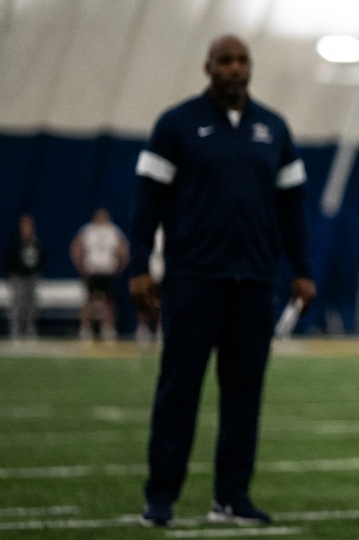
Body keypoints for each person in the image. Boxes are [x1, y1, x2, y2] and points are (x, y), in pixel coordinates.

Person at [128, 35, 315, 528]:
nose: (235, 68)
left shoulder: (274, 128)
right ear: (207, 66)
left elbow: (292, 208)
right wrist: (140, 267)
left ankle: (231, 497)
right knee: (178, 392)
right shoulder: (176, 124)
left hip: (254, 282)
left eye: (242, 60)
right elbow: (147, 202)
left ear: (250, 68)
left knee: (244, 395)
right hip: (193, 280)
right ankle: (160, 498)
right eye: (225, 60)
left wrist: (302, 270)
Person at [71, 208, 128, 342]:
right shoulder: (88, 230)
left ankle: (108, 328)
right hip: (92, 270)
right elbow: (76, 247)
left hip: (107, 271)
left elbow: (123, 249)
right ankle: (85, 328)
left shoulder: (113, 231)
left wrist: (119, 267)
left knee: (109, 301)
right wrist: (81, 267)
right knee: (89, 300)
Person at [6, 214, 44, 340]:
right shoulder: (16, 242)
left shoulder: (36, 243)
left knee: (31, 305)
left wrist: (38, 273)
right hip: (19, 277)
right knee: (18, 305)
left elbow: (41, 258)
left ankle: (30, 330)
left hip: (32, 277)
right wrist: (11, 274)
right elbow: (10, 259)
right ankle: (16, 331)